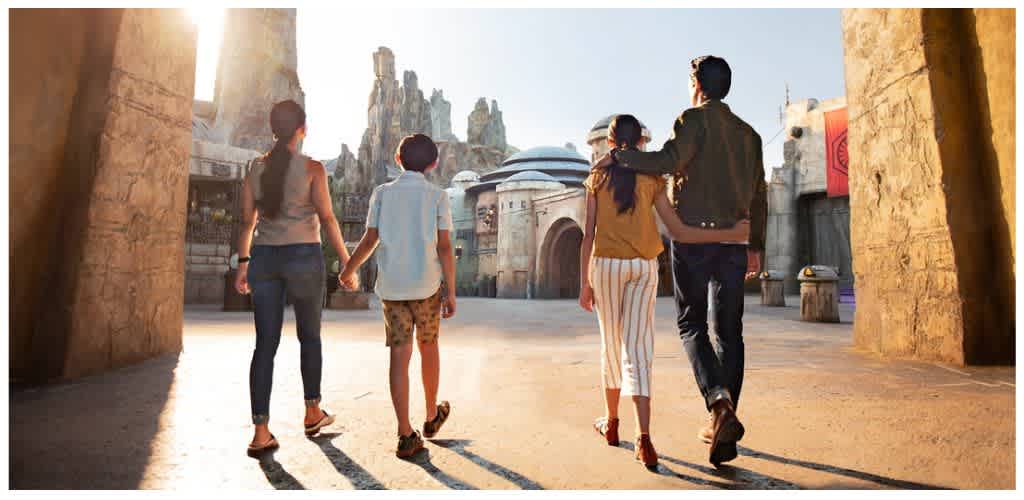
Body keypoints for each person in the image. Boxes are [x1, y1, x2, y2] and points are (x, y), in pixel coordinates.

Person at [594, 56, 767, 466]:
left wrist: (620, 156)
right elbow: (760, 194)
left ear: (696, 83)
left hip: (692, 240)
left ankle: (720, 406)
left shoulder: (691, 120)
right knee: (730, 331)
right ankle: (724, 418)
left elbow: (666, 162)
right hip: (734, 241)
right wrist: (756, 244)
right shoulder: (750, 135)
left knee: (692, 324)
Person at [235, 99, 355, 457]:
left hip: (265, 259)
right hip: (304, 256)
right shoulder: (314, 169)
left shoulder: (255, 168)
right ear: (301, 130)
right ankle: (312, 411)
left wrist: (243, 264)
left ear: (274, 130)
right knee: (310, 338)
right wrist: (347, 264)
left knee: (264, 346)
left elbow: (247, 223)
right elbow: (330, 219)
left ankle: (260, 431)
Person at [339, 134, 456, 459]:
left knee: (399, 356)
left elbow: (370, 239)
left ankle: (405, 433)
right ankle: (432, 415)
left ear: (398, 159)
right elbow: (445, 247)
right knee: (428, 348)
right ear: (433, 163)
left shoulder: (382, 193)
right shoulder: (437, 196)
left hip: (392, 290)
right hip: (427, 288)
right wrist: (452, 292)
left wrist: (349, 269)